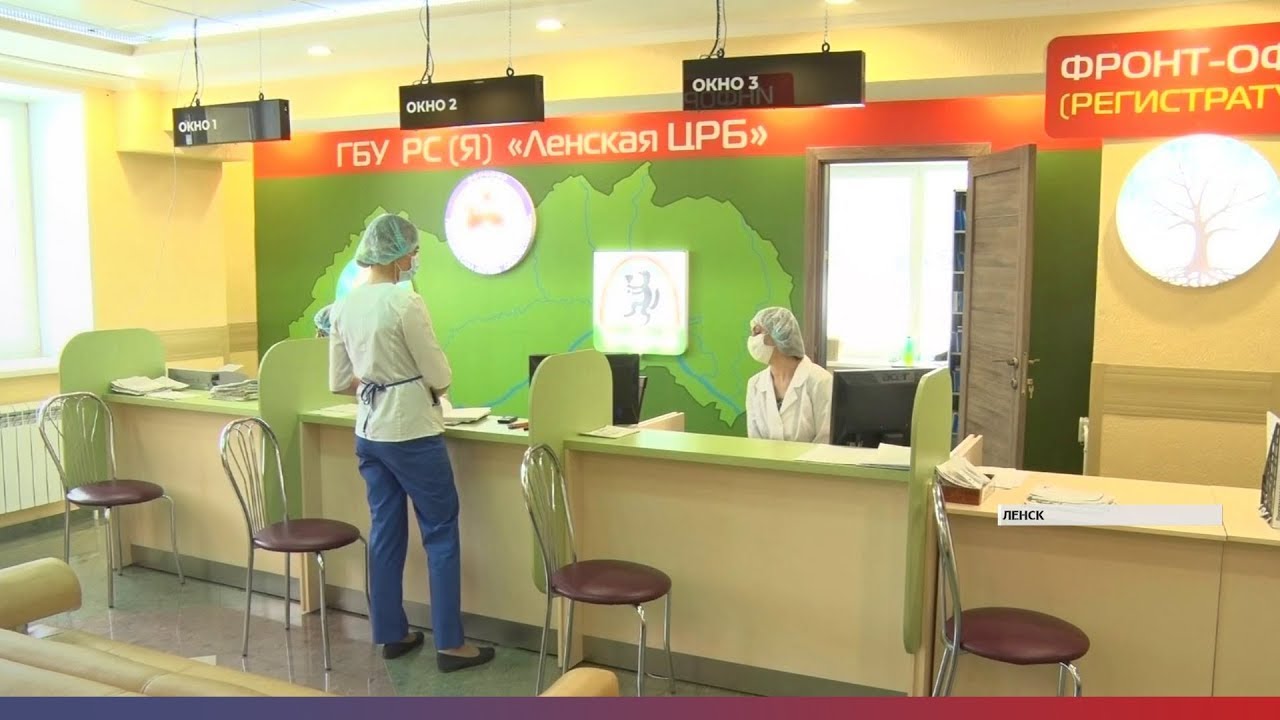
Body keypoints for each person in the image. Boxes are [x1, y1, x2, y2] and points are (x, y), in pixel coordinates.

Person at [327, 213, 495, 673]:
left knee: (385, 531)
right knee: (440, 531)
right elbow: (440, 375)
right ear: (398, 254)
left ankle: (391, 633)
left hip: (369, 432)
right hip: (413, 433)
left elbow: (338, 381)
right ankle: (450, 644)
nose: (415, 258)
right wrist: (414, 384)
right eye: (413, 251)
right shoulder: (405, 302)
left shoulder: (344, 306)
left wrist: (377, 379)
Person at [745, 307, 833, 444]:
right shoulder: (755, 384)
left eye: (757, 332)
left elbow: (825, 440)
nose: (752, 339)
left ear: (778, 334)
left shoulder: (821, 381)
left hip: (811, 459)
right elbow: (755, 440)